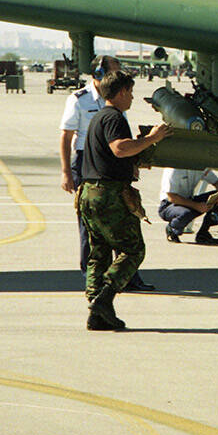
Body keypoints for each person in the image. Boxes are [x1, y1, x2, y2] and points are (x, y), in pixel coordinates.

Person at [77, 70, 172, 330]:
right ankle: (104, 298)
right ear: (120, 93)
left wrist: (139, 152)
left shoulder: (98, 117)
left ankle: (96, 314)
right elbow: (119, 148)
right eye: (129, 92)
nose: (131, 97)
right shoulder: (114, 117)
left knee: (99, 254)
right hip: (108, 196)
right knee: (133, 249)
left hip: (89, 193)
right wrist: (153, 138)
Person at [59, 55, 153, 292]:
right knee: (95, 230)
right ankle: (96, 281)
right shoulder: (80, 100)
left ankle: (120, 280)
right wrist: (66, 172)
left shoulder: (114, 106)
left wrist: (132, 163)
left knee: (113, 230)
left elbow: (121, 143)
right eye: (114, 71)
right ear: (99, 74)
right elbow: (67, 136)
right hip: (88, 163)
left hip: (111, 163)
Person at [159, 166, 218, 245]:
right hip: (169, 205)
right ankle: (172, 228)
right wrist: (197, 206)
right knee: (185, 213)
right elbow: (172, 197)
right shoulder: (174, 169)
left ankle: (203, 234)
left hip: (188, 200)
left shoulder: (198, 165)